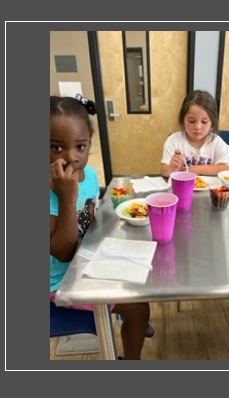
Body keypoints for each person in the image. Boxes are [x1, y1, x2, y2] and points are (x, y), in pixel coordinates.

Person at [50, 95, 151, 360]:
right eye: (57, 148)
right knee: (138, 307)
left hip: (87, 260)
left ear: (89, 145)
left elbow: (90, 215)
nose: (72, 157)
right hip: (59, 282)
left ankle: (136, 324)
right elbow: (64, 253)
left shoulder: (91, 175)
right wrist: (67, 197)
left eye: (80, 147)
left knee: (144, 282)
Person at [161, 90, 229, 177]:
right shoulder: (174, 140)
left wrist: (197, 169)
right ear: (183, 119)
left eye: (204, 122)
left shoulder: (216, 142)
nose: (197, 127)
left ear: (212, 122)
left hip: (210, 188)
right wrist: (171, 168)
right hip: (181, 189)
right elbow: (164, 171)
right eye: (191, 121)